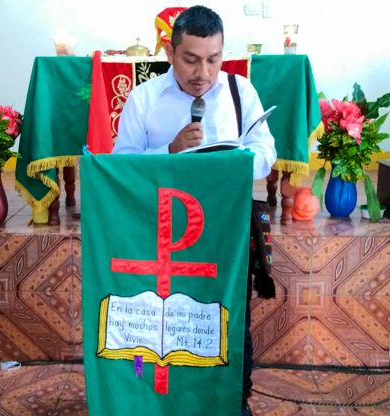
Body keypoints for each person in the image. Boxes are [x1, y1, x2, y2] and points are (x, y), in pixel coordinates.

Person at [112, 6, 276, 415]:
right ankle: (162, 401)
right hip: (161, 234)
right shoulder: (145, 98)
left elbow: (266, 152)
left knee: (229, 315)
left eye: (213, 59)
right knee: (165, 318)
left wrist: (230, 161)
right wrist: (169, 152)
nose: (203, 72)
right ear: (170, 52)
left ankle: (234, 400)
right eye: (190, 59)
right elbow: (121, 168)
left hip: (224, 229)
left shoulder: (240, 92)